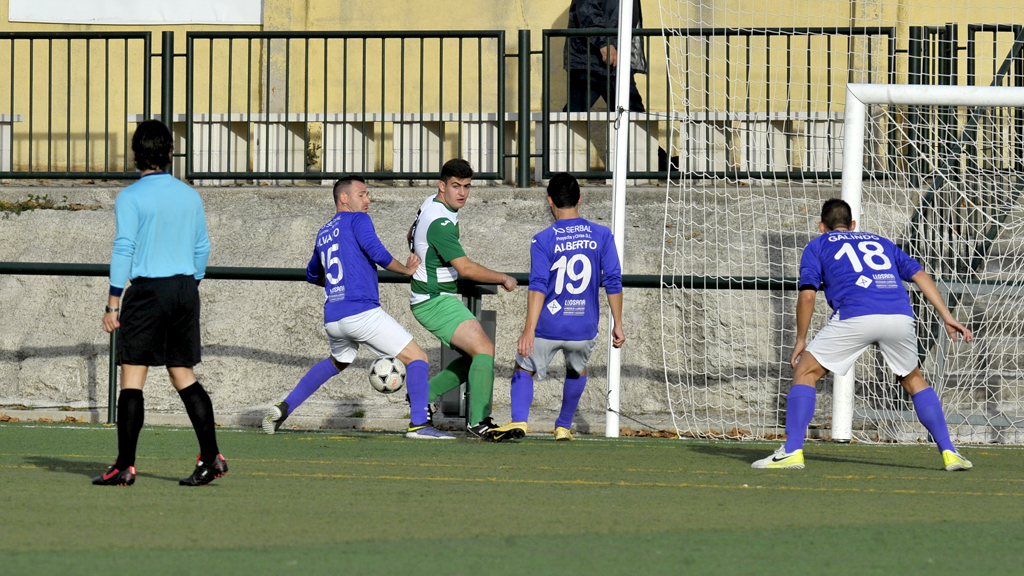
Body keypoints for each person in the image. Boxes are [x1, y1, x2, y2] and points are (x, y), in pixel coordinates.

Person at [752, 199, 975, 471]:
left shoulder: (818, 244)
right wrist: (947, 316)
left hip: (856, 315)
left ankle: (792, 451)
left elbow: (808, 294)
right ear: (853, 225)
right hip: (898, 315)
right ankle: (950, 453)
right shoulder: (881, 242)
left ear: (822, 226)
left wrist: (801, 339)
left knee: (805, 373)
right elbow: (919, 274)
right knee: (913, 379)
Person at [263, 176, 453, 440]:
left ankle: (284, 407)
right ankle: (419, 425)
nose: (368, 200)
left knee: (337, 361)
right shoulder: (358, 220)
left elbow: (311, 274)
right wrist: (406, 270)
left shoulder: (324, 231)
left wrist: (340, 284)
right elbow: (376, 251)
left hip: (333, 317)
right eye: (362, 195)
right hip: (361, 312)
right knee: (418, 358)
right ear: (344, 198)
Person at [94, 119, 226, 487]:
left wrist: (112, 303)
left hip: (149, 292)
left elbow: (124, 248)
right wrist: (188, 284)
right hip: (185, 288)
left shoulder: (131, 197)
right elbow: (202, 248)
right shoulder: (189, 194)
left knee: (132, 379)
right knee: (183, 374)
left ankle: (124, 465)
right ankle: (211, 457)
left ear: (136, 155)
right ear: (170, 153)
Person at [490, 173, 624, 442]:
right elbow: (613, 280)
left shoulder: (543, 239)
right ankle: (563, 426)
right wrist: (617, 324)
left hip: (549, 325)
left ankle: (519, 421)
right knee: (577, 369)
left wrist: (528, 330)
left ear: (549, 200)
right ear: (580, 199)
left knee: (523, 369)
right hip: (583, 326)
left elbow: (538, 284)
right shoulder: (602, 235)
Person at [408, 159, 517, 439]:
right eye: (456, 186)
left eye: (467, 187)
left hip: (431, 296)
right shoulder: (442, 222)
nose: (462, 193)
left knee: (475, 356)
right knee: (484, 350)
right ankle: (479, 422)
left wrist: (419, 251)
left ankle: (422, 396)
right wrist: (503, 277)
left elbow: (410, 232)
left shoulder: (430, 202)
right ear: (442, 185)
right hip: (434, 300)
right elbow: (465, 268)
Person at [564, 0, 647, 113]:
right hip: (588, 62)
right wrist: (604, 43)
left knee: (634, 116)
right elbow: (587, 10)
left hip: (616, 63)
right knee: (573, 117)